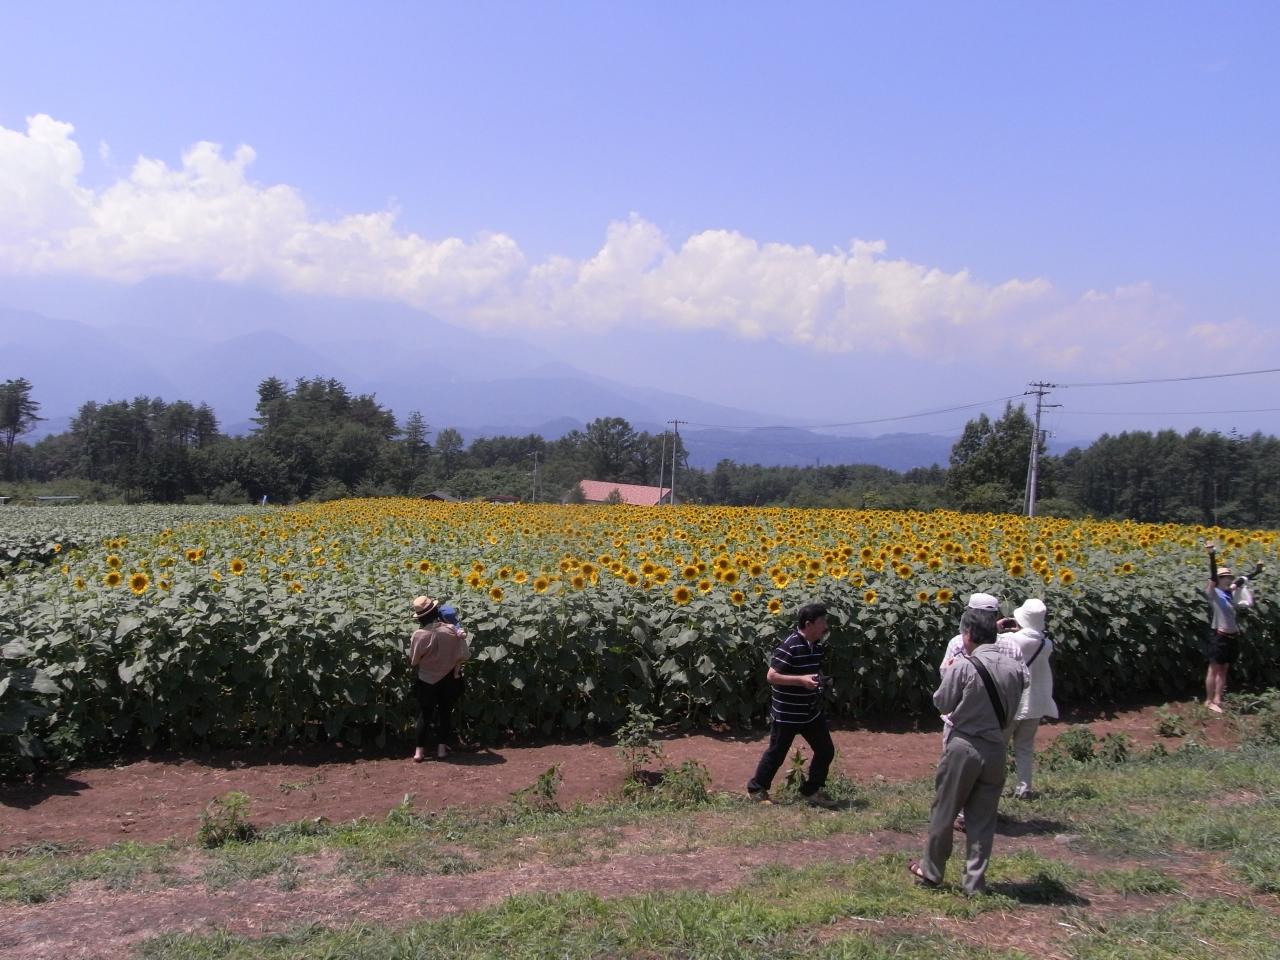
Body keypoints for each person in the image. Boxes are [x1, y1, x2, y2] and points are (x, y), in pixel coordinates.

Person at [909, 605, 1029, 895]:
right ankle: (974, 883)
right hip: (996, 746)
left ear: (970, 634)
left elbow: (942, 703)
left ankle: (932, 871)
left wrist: (951, 674)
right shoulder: (1014, 668)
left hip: (964, 745)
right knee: (983, 818)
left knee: (945, 809)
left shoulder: (963, 665)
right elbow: (1014, 707)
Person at [939, 593, 1025, 829]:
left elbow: (945, 678)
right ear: (996, 616)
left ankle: (958, 816)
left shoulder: (958, 643)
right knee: (988, 771)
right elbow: (1024, 680)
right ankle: (980, 816)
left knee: (957, 773)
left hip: (961, 722)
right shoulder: (1011, 645)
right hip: (998, 720)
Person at [746, 602, 838, 808]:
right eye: (822, 621)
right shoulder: (790, 645)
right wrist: (801, 681)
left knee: (825, 750)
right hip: (787, 713)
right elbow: (772, 676)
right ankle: (756, 790)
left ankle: (811, 791)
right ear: (809, 624)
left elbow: (812, 671)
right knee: (776, 754)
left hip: (809, 711)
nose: (826, 626)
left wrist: (822, 680)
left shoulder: (816, 646)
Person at [1202, 544, 1264, 714]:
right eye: (1224, 577)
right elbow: (1212, 575)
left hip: (1232, 637)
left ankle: (1218, 699)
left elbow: (1243, 579)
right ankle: (1208, 700)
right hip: (1219, 636)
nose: (1228, 579)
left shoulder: (1230, 592)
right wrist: (1212, 555)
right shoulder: (1213, 593)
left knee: (1224, 669)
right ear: (1218, 580)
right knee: (1214, 668)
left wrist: (1257, 571)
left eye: (1229, 577)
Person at [1006, 598, 1057, 799]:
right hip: (1035, 703)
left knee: (998, 747)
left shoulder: (1011, 640)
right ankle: (1024, 788)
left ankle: (993, 787)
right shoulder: (1047, 644)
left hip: (1013, 703)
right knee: (1025, 747)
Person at [408, 595, 469, 761]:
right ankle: (441, 750)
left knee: (424, 715)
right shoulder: (452, 630)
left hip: (427, 680)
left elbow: (414, 660)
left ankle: (419, 752)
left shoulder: (419, 635)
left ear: (420, 617)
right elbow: (464, 655)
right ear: (436, 611)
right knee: (445, 713)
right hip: (450, 678)